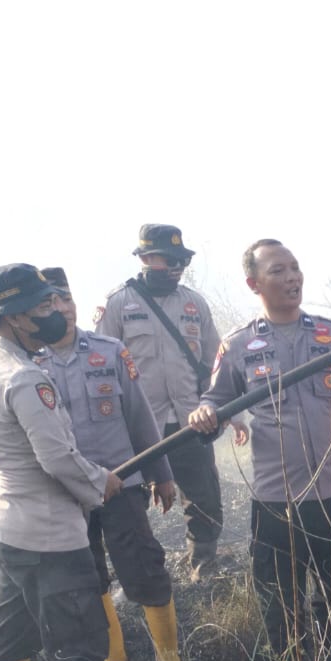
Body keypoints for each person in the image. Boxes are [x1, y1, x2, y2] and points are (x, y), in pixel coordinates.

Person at [189, 240, 331, 661]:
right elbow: (215, 399)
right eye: (278, 270)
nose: (292, 277)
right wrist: (205, 413)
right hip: (274, 503)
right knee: (280, 608)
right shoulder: (238, 345)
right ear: (254, 283)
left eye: (295, 268)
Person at [0, 263, 126, 661]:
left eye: (54, 302)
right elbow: (57, 458)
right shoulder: (26, 378)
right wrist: (101, 481)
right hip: (46, 533)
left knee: (12, 627)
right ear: (12, 319)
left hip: (4, 525)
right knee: (78, 640)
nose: (56, 313)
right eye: (42, 308)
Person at [38, 267, 187, 661]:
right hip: (65, 495)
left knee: (144, 568)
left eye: (64, 298)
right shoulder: (28, 365)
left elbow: (140, 418)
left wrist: (162, 475)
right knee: (87, 576)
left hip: (122, 485)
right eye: (48, 303)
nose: (61, 309)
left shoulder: (110, 351)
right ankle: (114, 656)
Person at [96, 224, 224, 579]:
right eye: (166, 260)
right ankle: (138, 574)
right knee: (130, 501)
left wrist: (223, 407)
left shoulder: (194, 303)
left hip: (189, 420)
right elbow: (101, 367)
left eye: (179, 261)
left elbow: (214, 361)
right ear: (145, 258)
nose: (174, 268)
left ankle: (204, 565)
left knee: (203, 495)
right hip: (137, 426)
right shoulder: (118, 304)